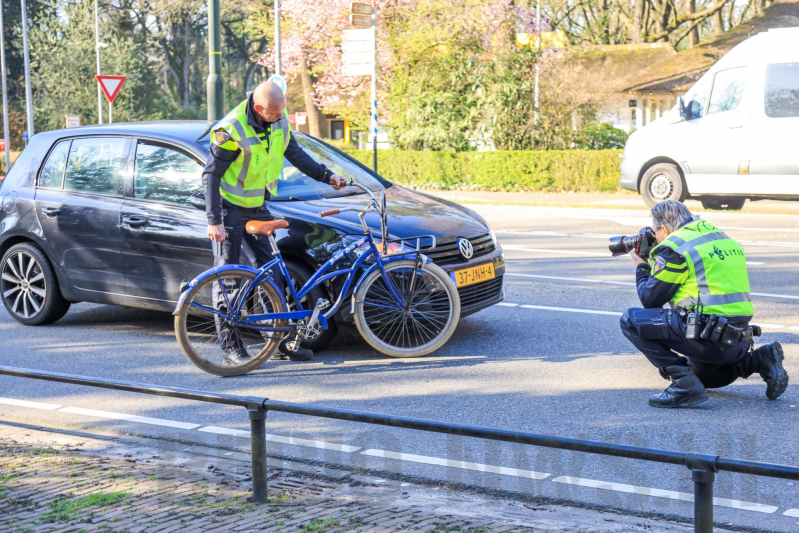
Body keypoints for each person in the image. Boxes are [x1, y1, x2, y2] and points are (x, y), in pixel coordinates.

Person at [202, 81, 346, 365]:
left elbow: (295, 155)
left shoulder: (279, 121)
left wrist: (327, 176)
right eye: (274, 113)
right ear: (258, 108)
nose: (280, 118)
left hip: (258, 207)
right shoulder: (231, 130)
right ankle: (231, 345)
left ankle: (279, 343)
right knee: (229, 278)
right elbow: (211, 176)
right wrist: (214, 220)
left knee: (274, 277)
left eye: (283, 112)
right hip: (229, 209)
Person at [620, 200, 788, 408]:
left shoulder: (675, 249)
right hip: (739, 339)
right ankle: (757, 360)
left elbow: (650, 299)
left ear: (664, 228)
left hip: (708, 338)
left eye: (655, 232)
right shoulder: (715, 235)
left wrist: (642, 267)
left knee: (629, 320)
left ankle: (683, 385)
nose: (655, 238)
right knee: (700, 378)